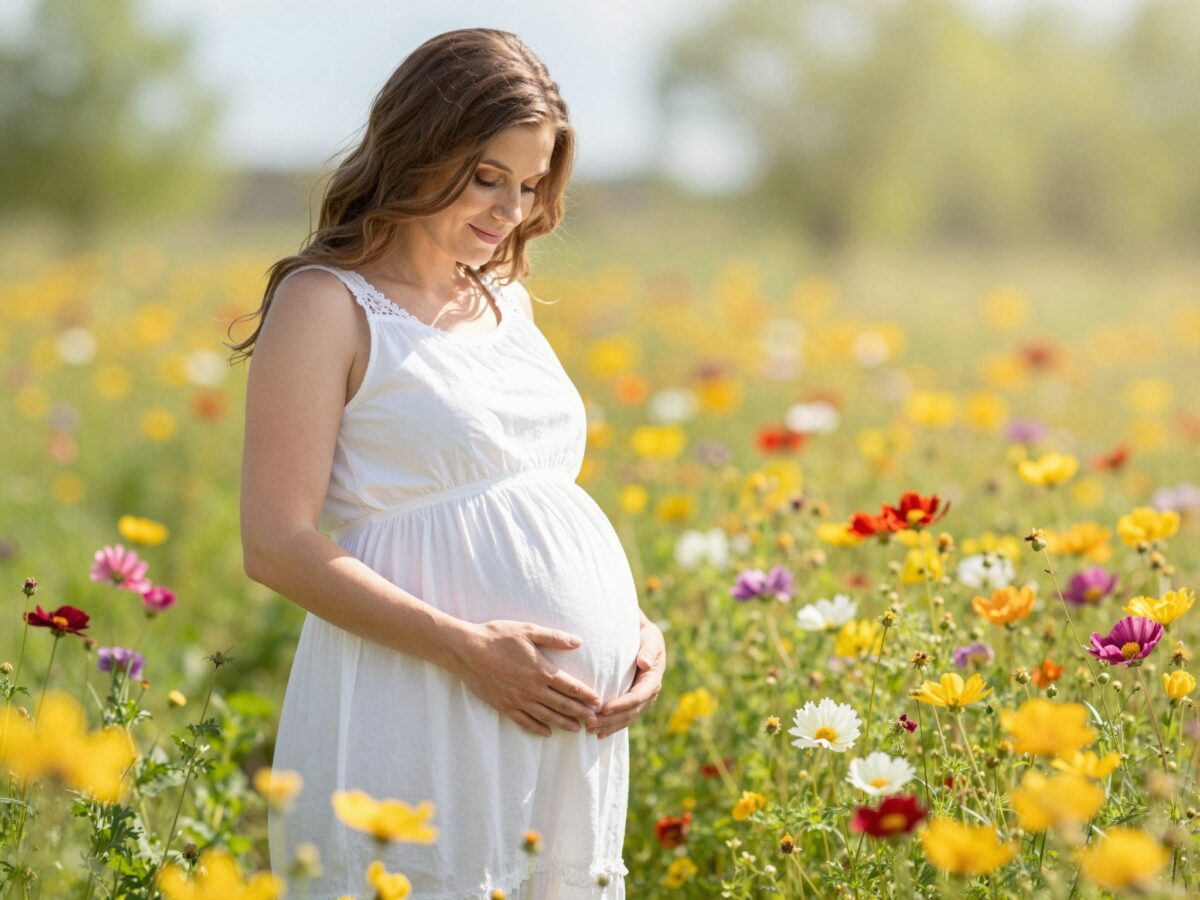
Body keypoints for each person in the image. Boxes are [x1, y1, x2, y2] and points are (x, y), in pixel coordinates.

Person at [231, 27, 666, 899]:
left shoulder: (504, 300)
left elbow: (532, 494)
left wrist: (636, 630)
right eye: (486, 177)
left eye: (531, 184)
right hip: (420, 691)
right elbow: (274, 543)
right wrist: (465, 647)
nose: (511, 209)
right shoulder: (326, 304)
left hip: (559, 722)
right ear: (418, 149)